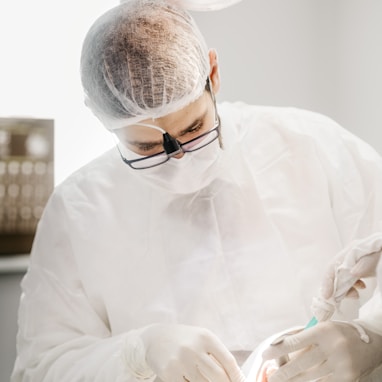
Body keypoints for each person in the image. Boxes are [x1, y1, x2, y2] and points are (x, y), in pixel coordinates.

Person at [11, 0, 382, 381]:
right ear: (101, 118)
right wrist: (135, 354)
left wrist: (372, 336)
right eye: (147, 147)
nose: (180, 160)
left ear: (214, 74)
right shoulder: (78, 210)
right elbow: (41, 366)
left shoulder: (315, 148)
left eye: (194, 129)